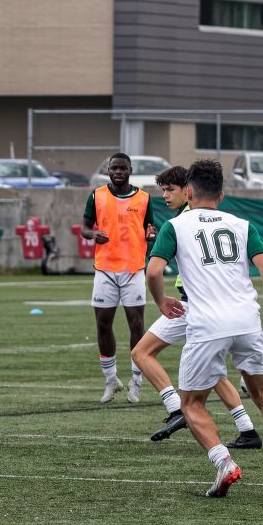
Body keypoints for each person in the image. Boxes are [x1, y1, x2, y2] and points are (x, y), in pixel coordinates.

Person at [146, 159, 263, 497]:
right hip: (246, 320)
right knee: (262, 393)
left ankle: (224, 463)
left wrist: (160, 301)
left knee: (191, 403)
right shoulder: (242, 224)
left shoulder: (176, 226)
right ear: (222, 194)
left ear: (190, 192)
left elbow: (154, 272)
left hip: (207, 323)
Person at [133, 165, 261, 447]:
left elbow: (154, 270)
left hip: (193, 305)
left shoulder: (184, 221)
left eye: (171, 190)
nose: (165, 196)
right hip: (218, 307)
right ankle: (248, 429)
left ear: (188, 191)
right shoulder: (197, 218)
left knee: (141, 353)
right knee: (212, 372)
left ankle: (176, 408)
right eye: (162, 190)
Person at [81, 152, 156, 403]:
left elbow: (150, 229)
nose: (118, 172)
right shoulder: (97, 195)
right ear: (109, 170)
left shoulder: (144, 198)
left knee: (136, 325)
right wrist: (92, 235)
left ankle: (137, 380)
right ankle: (111, 379)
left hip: (134, 268)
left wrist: (151, 235)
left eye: (123, 168)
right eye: (114, 168)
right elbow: (84, 227)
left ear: (130, 170)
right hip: (104, 269)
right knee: (103, 324)